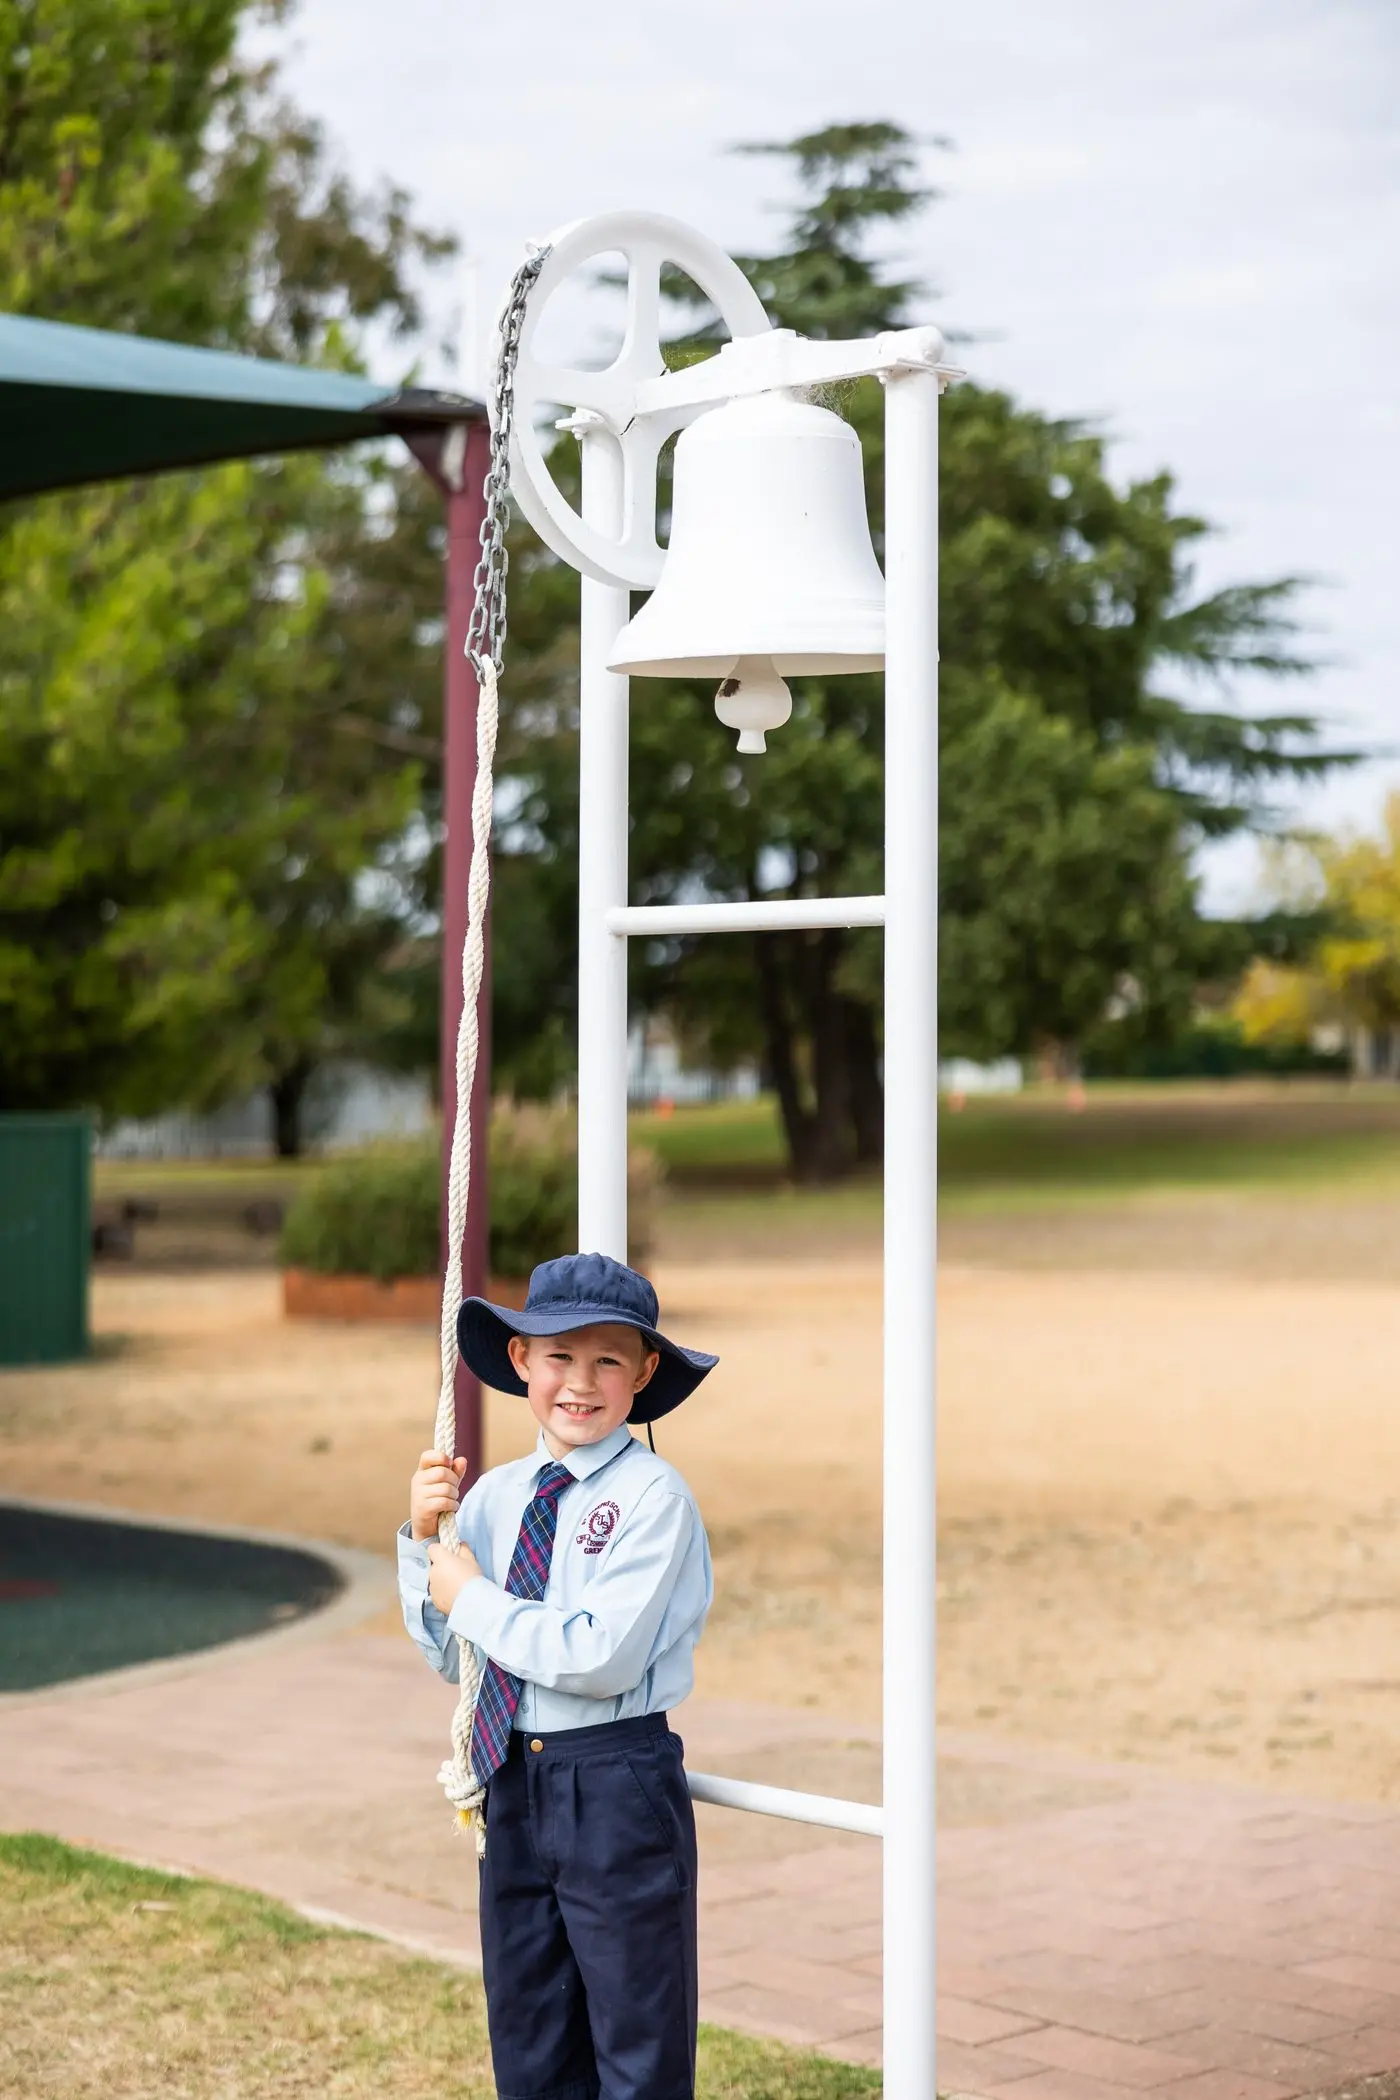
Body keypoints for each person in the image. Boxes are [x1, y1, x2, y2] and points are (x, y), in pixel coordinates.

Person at [397, 1250, 718, 2100]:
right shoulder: (496, 1497)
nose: (580, 1382)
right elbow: (456, 1658)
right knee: (530, 2031)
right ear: (520, 1362)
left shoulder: (654, 1499)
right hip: (513, 1780)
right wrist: (422, 1540)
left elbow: (596, 1656)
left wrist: (471, 1597)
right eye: (559, 1357)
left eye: (608, 1359)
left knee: (634, 2038)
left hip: (613, 1781)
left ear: (645, 1372)